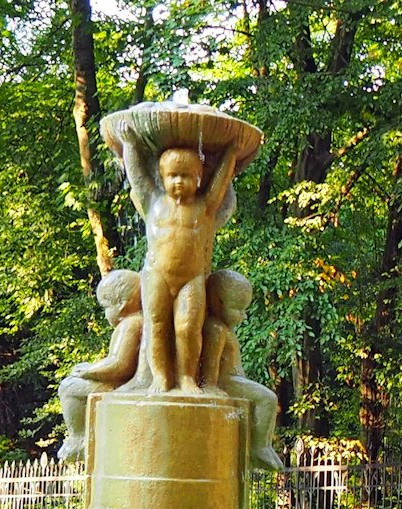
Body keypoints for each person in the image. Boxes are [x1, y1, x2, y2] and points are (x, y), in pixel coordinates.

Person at [113, 128, 245, 392]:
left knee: (187, 329)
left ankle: (186, 377)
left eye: (186, 176)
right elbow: (137, 179)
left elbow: (220, 182)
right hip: (156, 275)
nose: (178, 182)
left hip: (191, 279)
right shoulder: (153, 202)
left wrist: (232, 151)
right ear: (162, 178)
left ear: (198, 178)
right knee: (157, 327)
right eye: (172, 176)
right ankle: (160, 377)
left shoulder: (205, 207)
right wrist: (129, 145)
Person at [57, 269, 140, 462]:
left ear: (121, 305)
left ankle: (78, 439)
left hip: (121, 385)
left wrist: (89, 372)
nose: (104, 314)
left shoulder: (130, 325)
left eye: (105, 307)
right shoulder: (135, 323)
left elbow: (120, 365)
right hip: (123, 382)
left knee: (68, 387)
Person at [204, 269, 283, 469]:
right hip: (225, 381)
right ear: (217, 301)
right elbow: (210, 364)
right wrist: (211, 385)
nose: (243, 316)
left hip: (232, 379)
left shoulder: (223, 329)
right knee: (267, 398)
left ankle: (261, 444)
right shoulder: (216, 329)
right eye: (238, 308)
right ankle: (259, 447)